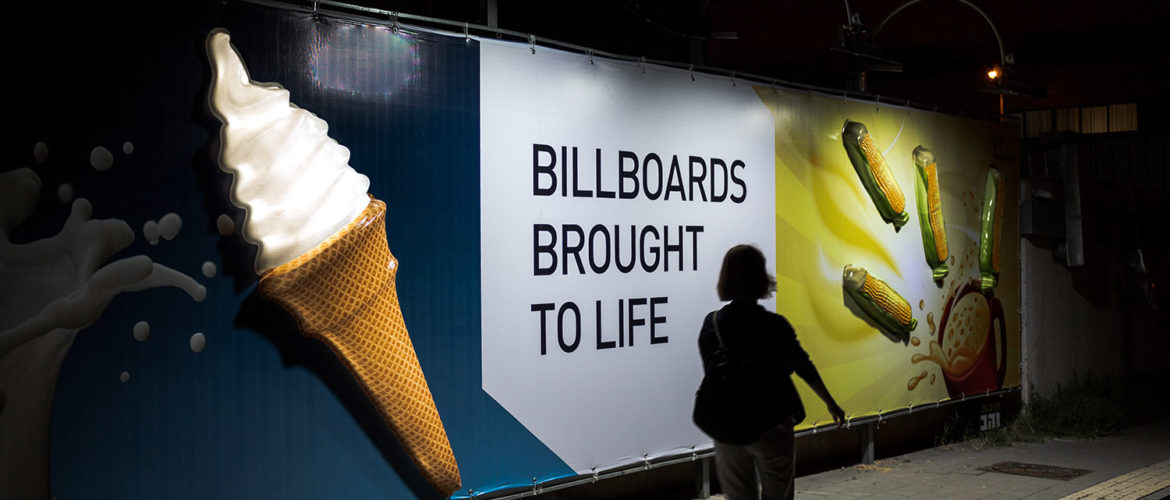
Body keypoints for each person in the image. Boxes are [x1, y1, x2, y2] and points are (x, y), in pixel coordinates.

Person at [698, 244, 846, 500]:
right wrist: (831, 403)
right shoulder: (775, 326)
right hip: (772, 423)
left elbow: (711, 372)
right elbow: (804, 366)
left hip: (727, 428)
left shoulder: (712, 324)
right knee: (779, 492)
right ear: (760, 279)